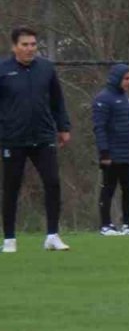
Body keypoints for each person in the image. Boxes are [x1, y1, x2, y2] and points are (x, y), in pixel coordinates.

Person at [0, 26, 71, 253]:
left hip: (43, 137)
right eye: (25, 44)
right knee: (11, 188)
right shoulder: (3, 70)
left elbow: (57, 101)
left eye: (33, 44)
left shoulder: (46, 69)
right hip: (13, 139)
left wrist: (63, 127)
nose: (30, 49)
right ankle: (9, 239)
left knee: (52, 183)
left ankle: (52, 236)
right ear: (14, 47)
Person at [92, 64, 129, 236]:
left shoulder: (126, 98)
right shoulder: (103, 99)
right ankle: (106, 225)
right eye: (126, 79)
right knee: (108, 189)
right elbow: (99, 127)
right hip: (112, 155)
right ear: (116, 78)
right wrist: (104, 153)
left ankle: (127, 224)